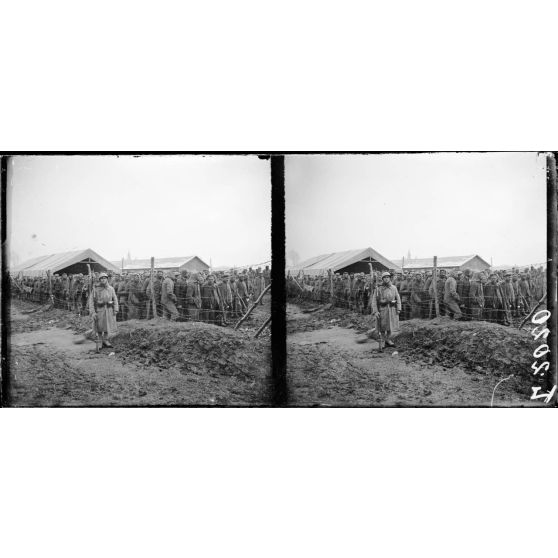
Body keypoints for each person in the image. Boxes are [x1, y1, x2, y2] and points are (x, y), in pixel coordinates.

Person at [88, 272, 119, 348]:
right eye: (101, 278)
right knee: (99, 327)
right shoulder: (96, 289)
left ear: (107, 279)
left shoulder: (111, 288)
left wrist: (115, 309)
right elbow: (91, 301)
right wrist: (93, 312)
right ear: (99, 280)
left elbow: (115, 299)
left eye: (104, 278)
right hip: (99, 310)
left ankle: (105, 340)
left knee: (106, 326)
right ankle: (100, 341)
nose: (103, 280)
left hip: (109, 310)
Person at [371, 272, 402, 347]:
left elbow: (398, 298)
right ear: (382, 279)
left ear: (390, 278)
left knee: (390, 326)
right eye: (384, 277)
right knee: (382, 326)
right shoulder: (379, 288)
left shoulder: (394, 288)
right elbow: (374, 300)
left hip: (392, 309)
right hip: (382, 309)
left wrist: (398, 308)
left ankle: (388, 340)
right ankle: (382, 341)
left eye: (387, 277)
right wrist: (375, 311)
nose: (386, 279)